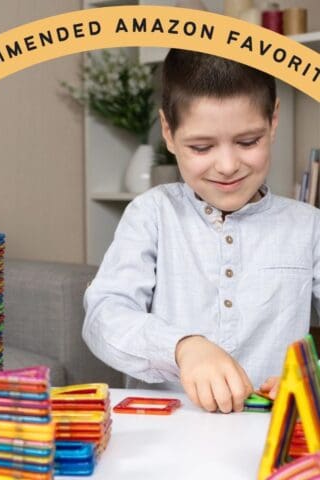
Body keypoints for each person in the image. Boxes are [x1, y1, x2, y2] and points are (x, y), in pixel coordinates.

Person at [82, 49, 320, 413]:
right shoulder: (152, 215)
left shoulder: (308, 227)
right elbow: (103, 316)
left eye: (247, 142)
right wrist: (181, 346)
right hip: (164, 436)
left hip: (272, 434)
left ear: (273, 122)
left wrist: (312, 376)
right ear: (169, 132)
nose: (227, 166)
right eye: (201, 146)